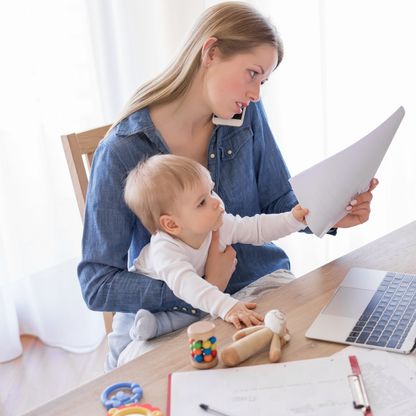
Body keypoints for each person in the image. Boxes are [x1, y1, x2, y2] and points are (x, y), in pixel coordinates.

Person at [78, 1, 377, 371]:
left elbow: (276, 200)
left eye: (263, 80)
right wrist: (203, 287)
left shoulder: (246, 114)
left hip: (261, 285)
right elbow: (97, 284)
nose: (256, 95)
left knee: (323, 362)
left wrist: (331, 213)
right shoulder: (123, 150)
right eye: (252, 74)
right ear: (211, 52)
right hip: (172, 313)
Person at [123, 154, 308, 345]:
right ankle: (150, 327)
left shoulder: (217, 223)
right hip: (153, 304)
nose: (217, 202)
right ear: (171, 224)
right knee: (173, 315)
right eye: (202, 202)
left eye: (211, 191)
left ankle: (155, 325)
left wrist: (292, 220)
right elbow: (186, 284)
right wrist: (227, 307)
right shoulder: (165, 249)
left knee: (194, 312)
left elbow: (256, 228)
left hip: (190, 300)